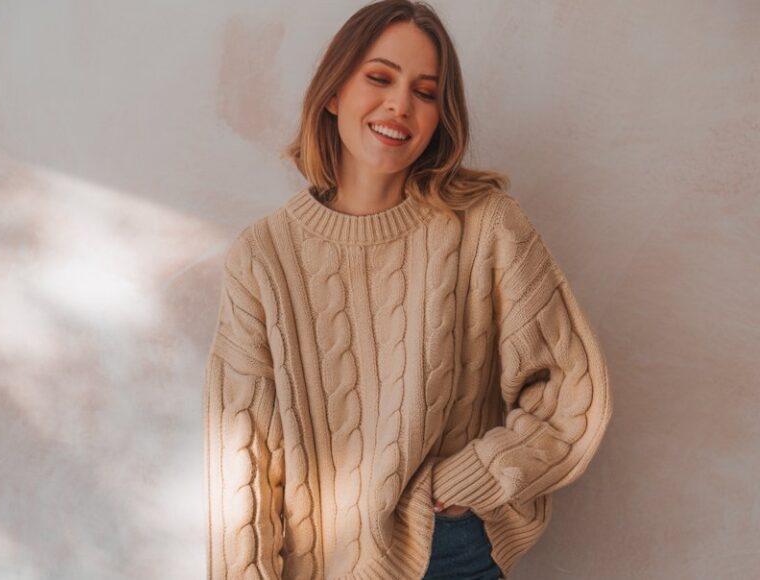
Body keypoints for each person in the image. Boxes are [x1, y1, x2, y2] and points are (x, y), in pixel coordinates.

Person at [202, 1, 613, 578]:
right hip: (313, 563)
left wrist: (478, 475)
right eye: (379, 77)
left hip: (443, 550)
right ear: (333, 92)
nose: (400, 104)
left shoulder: (486, 226)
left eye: (425, 92)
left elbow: (571, 388)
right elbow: (243, 454)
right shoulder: (263, 256)